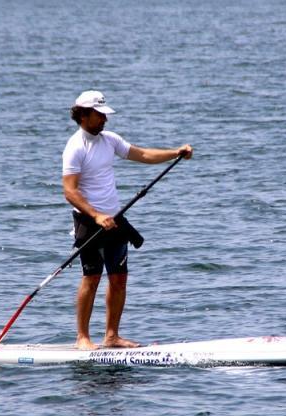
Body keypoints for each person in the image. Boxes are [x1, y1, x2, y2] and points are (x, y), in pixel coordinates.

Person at [61, 90, 193, 350]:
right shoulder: (75, 147)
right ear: (84, 115)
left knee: (119, 278)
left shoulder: (109, 140)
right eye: (99, 115)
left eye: (104, 115)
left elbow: (142, 155)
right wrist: (96, 215)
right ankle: (83, 338)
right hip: (89, 221)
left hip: (115, 218)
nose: (104, 120)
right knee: (92, 278)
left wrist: (175, 153)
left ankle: (112, 336)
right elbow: (70, 192)